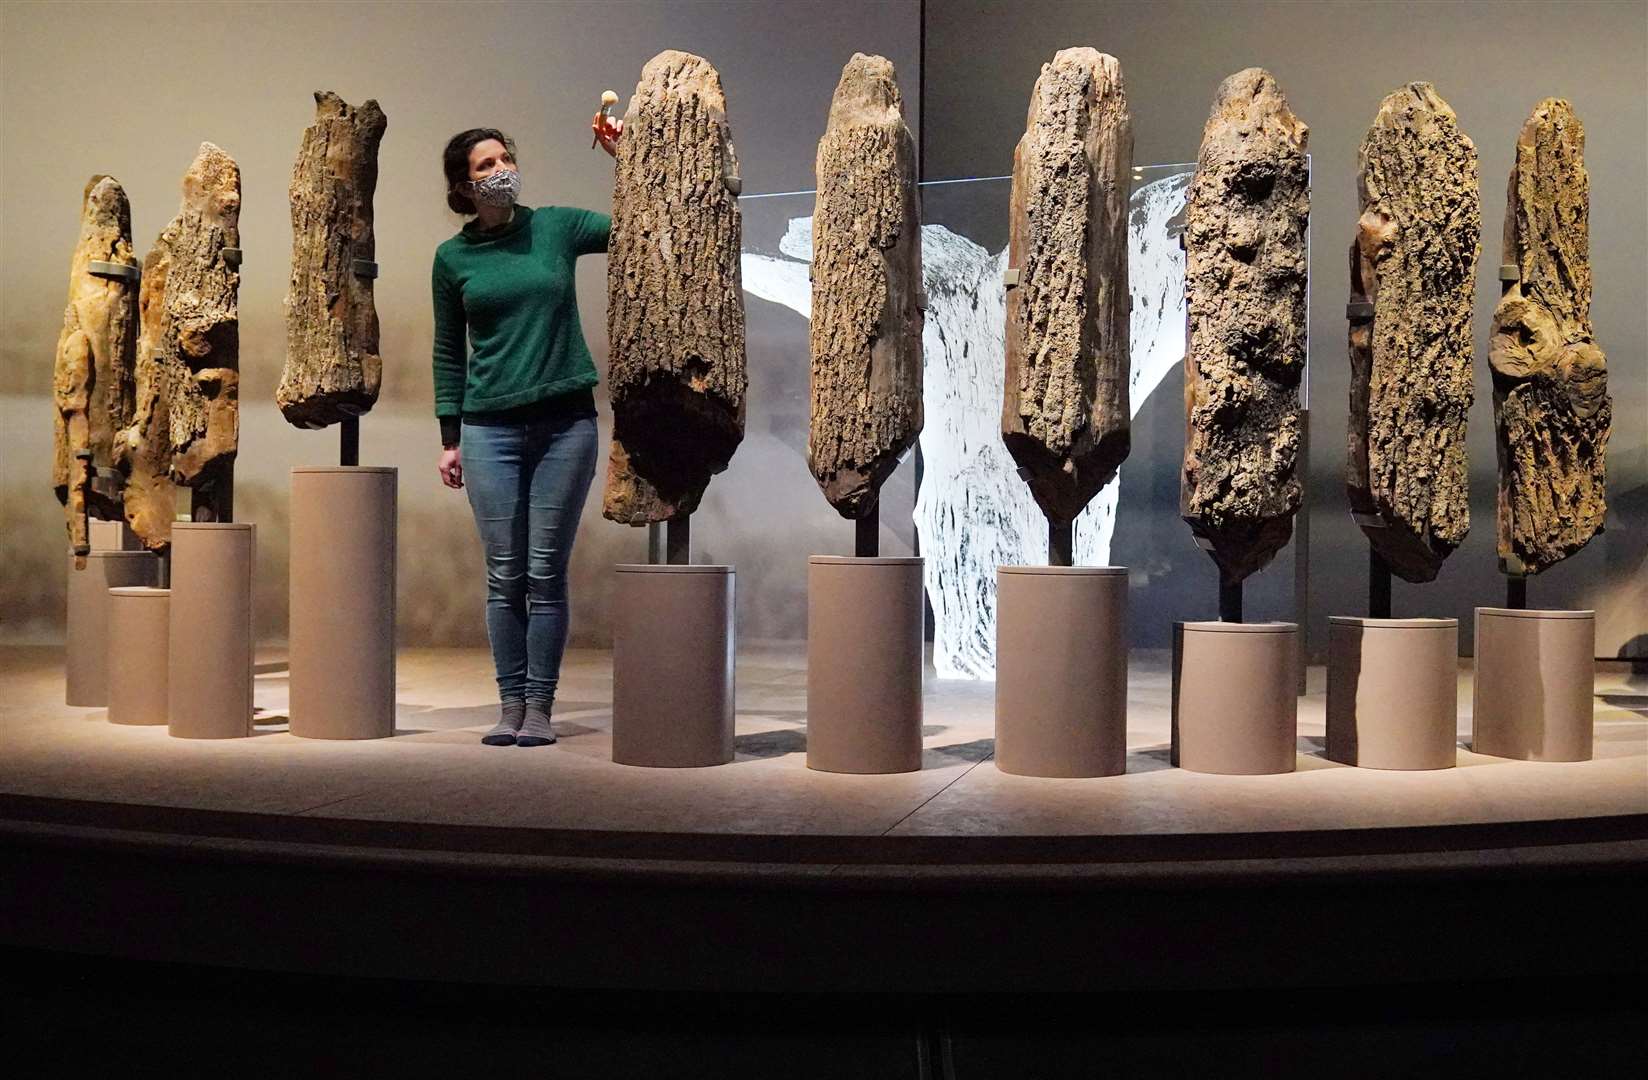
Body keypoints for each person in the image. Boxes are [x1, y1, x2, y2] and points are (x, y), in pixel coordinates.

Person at [432, 112, 621, 747]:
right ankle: (508, 704)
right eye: (485, 165)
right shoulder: (452, 258)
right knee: (503, 573)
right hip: (488, 430)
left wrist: (627, 159)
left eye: (504, 158)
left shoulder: (556, 227)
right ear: (463, 185)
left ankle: (540, 706)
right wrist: (448, 436)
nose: (500, 170)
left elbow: (636, 228)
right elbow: (448, 350)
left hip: (565, 423)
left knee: (546, 571)